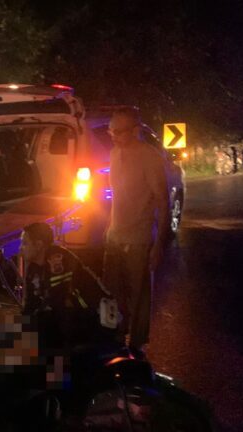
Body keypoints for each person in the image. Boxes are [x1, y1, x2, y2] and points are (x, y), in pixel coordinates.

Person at [102, 107, 170, 357]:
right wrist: (109, 228)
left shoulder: (149, 157)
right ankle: (115, 338)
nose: (113, 135)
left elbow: (163, 201)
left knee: (138, 296)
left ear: (135, 130)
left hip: (139, 239)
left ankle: (137, 346)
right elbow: (117, 196)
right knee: (111, 292)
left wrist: (158, 244)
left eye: (118, 131)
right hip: (115, 236)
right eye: (111, 130)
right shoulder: (114, 154)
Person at [19, 222, 117, 350]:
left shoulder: (58, 259)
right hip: (74, 316)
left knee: (45, 326)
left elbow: (57, 300)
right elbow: (31, 304)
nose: (21, 248)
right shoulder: (34, 268)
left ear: (38, 245)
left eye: (25, 243)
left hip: (95, 318)